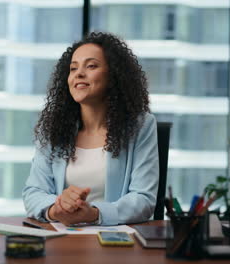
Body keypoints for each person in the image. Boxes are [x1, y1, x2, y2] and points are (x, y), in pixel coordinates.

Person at [22, 32, 159, 226]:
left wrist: (93, 213)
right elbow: (33, 192)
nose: (79, 73)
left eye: (91, 66)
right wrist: (58, 208)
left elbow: (143, 199)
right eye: (73, 68)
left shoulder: (140, 126)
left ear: (113, 76)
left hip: (115, 241)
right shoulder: (52, 129)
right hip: (63, 238)